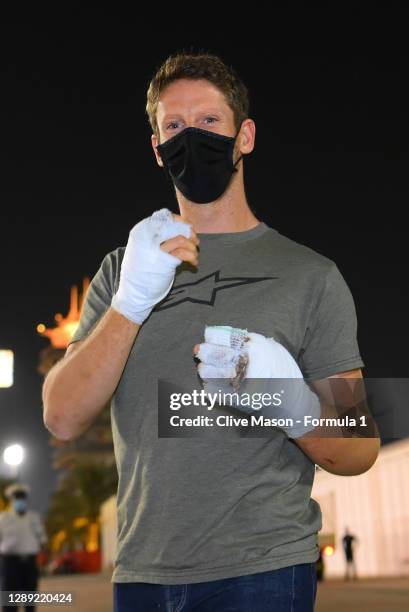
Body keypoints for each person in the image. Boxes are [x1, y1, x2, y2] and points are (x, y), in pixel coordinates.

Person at [42, 52, 380, 611]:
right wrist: (130, 303)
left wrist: (286, 398)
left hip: (262, 570)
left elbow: (358, 448)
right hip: (141, 572)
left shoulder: (309, 275)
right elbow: (62, 415)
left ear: (244, 136)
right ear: (156, 148)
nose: (190, 137)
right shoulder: (121, 271)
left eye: (209, 122)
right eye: (173, 126)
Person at [0, 483, 48, 612]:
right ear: (12, 500)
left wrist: (43, 552)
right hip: (10, 563)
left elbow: (43, 539)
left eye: (22, 499)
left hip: (30, 563)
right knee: (10, 602)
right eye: (17, 499)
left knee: (30, 600)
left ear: (26, 500)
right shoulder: (4, 518)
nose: (20, 501)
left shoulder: (34, 517)